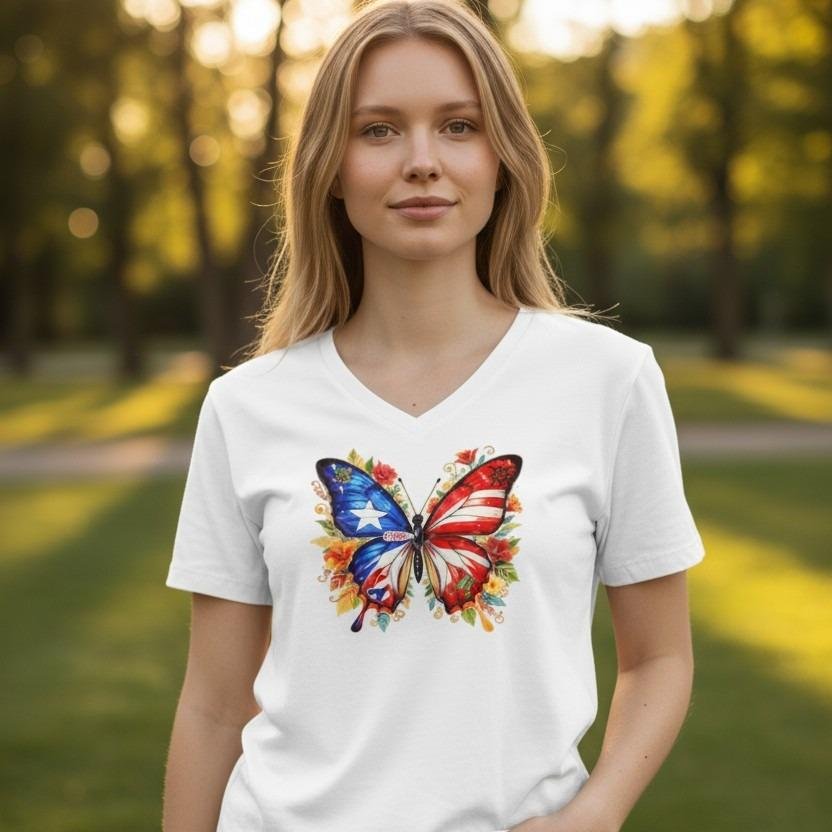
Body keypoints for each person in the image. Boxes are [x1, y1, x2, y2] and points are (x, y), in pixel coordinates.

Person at [161, 1, 706, 831]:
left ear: (503, 158)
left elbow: (660, 659)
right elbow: (210, 704)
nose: (422, 162)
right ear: (331, 166)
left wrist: (591, 816)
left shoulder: (609, 380)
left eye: (458, 126)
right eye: (378, 130)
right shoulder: (246, 407)